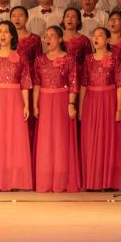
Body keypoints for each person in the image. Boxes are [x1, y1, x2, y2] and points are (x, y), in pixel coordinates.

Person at [0, 21, 33, 191]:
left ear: (12, 35)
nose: (2, 35)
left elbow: (25, 81)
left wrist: (26, 105)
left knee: (15, 137)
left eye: (6, 31)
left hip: (15, 98)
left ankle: (15, 179)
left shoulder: (20, 56)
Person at [32, 26, 80, 193]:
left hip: (62, 100)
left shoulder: (69, 59)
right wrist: (35, 104)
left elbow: (73, 83)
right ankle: (45, 180)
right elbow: (37, 83)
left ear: (60, 39)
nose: (48, 39)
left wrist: (71, 103)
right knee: (46, 139)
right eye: (46, 36)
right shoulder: (39, 59)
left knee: (61, 139)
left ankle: (62, 179)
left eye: (52, 36)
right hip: (45, 100)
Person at [79, 27, 121, 191]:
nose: (96, 38)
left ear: (108, 40)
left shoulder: (115, 58)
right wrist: (81, 108)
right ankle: (92, 181)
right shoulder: (88, 59)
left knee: (109, 139)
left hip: (109, 100)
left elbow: (120, 85)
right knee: (91, 140)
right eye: (94, 35)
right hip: (91, 101)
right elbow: (83, 85)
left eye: (100, 35)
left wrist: (119, 109)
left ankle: (109, 181)